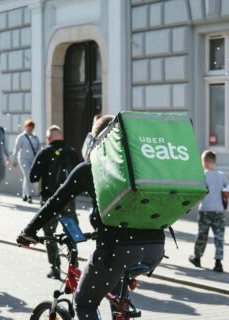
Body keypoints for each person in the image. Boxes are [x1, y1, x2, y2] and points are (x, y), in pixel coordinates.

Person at [18, 116, 165, 320]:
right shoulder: (140, 167)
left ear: (96, 140)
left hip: (117, 249)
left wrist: (28, 232)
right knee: (116, 295)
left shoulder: (91, 168)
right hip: (154, 248)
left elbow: (55, 203)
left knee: (84, 303)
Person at [29, 125, 81, 279]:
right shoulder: (72, 152)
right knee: (71, 232)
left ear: (48, 139)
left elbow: (33, 177)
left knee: (49, 234)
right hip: (68, 200)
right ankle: (74, 266)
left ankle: (55, 266)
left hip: (49, 200)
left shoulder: (45, 153)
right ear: (62, 137)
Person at [189, 150, 229, 273]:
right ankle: (218, 263)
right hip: (218, 211)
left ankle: (197, 257)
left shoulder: (203, 175)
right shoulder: (221, 175)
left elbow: (197, 192)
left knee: (202, 235)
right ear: (215, 162)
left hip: (205, 210)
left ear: (204, 162)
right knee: (219, 237)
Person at [12, 119, 41, 203]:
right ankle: (30, 196)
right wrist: (14, 160)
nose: (30, 128)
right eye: (29, 126)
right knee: (28, 175)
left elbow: (39, 148)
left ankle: (24, 194)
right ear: (25, 127)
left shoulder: (35, 137)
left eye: (32, 127)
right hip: (23, 159)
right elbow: (16, 148)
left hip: (33, 159)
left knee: (27, 176)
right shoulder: (21, 137)